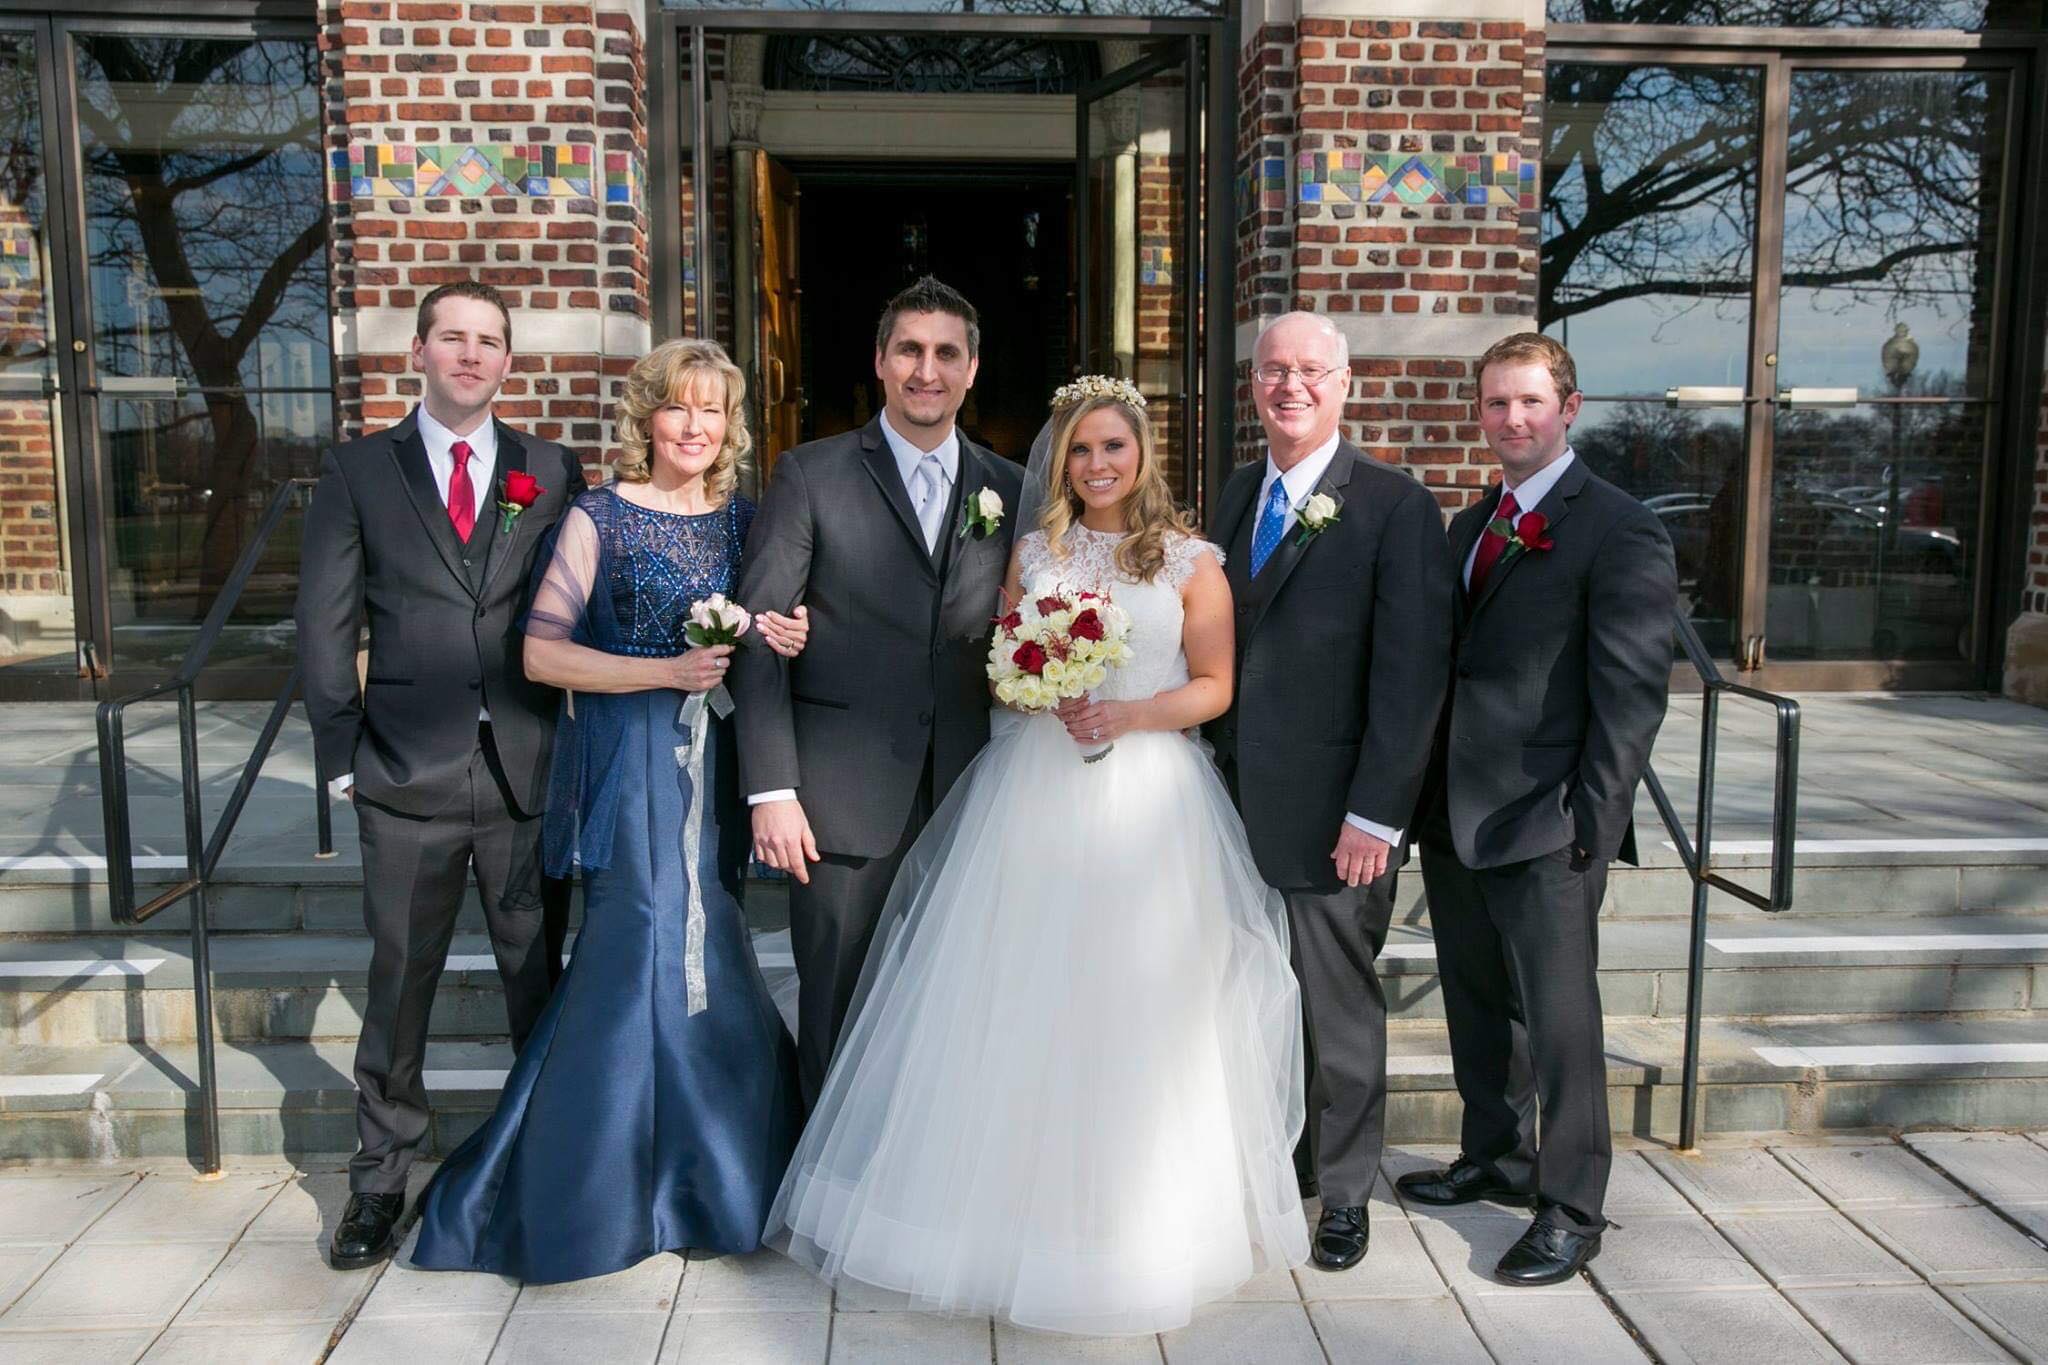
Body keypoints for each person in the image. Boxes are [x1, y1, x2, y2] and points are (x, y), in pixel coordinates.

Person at [765, 377, 1308, 1336]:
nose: (1099, 466)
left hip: (1150, 802)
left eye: (1115, 448)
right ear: (1061, 464)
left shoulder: (1192, 561)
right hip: (1034, 795)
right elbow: (1005, 669)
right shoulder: (1033, 548)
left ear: (1142, 455)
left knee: (1136, 1010)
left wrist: (1130, 712)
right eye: (1082, 452)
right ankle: (995, 1219)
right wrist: (1037, 683)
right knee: (1015, 1000)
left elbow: (1216, 686)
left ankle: (1135, 1226)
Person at [409, 339, 811, 1282]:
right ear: (647, 417)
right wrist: (661, 671)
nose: (696, 427)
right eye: (678, 408)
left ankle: (714, 1174)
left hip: (715, 765)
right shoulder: (599, 516)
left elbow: (772, 626)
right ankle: (603, 1185)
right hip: (631, 760)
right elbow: (542, 654)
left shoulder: (749, 523)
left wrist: (788, 630)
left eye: (712, 411)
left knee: (713, 947)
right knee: (639, 945)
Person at [297, 282, 586, 1271]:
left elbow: (579, 605)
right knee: (400, 984)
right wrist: (340, 754)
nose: (471, 355)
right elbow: (326, 627)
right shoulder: (356, 471)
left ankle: (541, 1159)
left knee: (535, 981)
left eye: (489, 342)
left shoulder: (550, 469)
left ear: (510, 361)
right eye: (452, 338)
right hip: (402, 766)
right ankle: (380, 1181)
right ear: (418, 350)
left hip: (523, 766)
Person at [1401, 332, 1677, 1286]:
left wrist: (1591, 827)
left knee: (1561, 1027)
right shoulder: (1470, 522)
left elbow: (1632, 694)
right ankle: (1497, 1158)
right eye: (1494, 404)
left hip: (1549, 820)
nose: (1510, 419)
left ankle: (1572, 1206)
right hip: (1457, 815)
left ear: (1570, 405)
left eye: (1528, 401)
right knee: (1479, 1006)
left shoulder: (1619, 526)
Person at [731, 275, 1025, 1105]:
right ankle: (820, 1198)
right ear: (879, 362)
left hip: (971, 793)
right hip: (837, 799)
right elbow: (758, 634)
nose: (926, 370)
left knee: (954, 1005)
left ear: (972, 369)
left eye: (945, 354)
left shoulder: (1011, 486)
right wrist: (772, 788)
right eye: (909, 351)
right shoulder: (811, 474)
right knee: (835, 1004)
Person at [1205, 312, 1455, 1271]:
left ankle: (1345, 1193)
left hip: (1335, 818)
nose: (1291, 386)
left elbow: (1411, 676)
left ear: (1345, 383)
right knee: (1251, 1000)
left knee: (1337, 1011)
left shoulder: (1395, 506)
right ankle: (1279, 1164)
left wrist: (1376, 815)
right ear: (1254, 385)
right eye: (1274, 370)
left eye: (1312, 370)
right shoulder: (1236, 492)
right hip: (1229, 807)